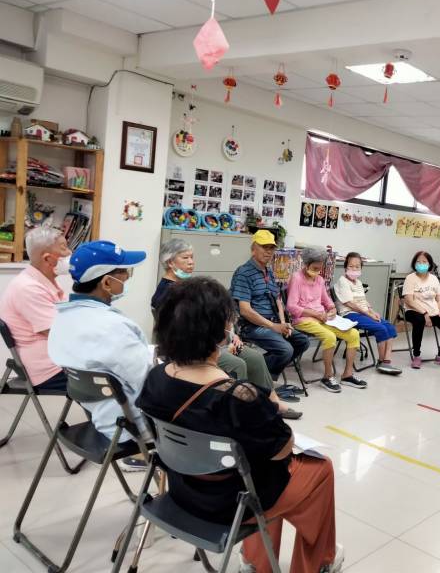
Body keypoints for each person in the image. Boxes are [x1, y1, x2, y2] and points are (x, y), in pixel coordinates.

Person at [137, 277, 342, 573]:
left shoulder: (155, 378)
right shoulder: (239, 397)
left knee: (255, 467)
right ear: (219, 334)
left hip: (181, 490)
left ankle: (256, 563)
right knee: (319, 468)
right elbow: (283, 449)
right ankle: (318, 563)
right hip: (231, 503)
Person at [153, 238, 301, 420]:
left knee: (254, 358)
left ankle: (272, 402)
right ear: (170, 262)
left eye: (192, 257)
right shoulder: (166, 294)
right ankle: (240, 411)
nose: (191, 262)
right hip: (193, 349)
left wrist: (232, 335)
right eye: (185, 258)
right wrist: (219, 345)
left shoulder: (186, 287)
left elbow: (208, 318)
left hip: (212, 341)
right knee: (237, 364)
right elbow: (185, 333)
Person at [47, 240, 151, 470]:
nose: (127, 277)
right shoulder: (112, 327)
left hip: (100, 414)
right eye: (124, 272)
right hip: (129, 426)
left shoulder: (62, 319)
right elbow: (147, 383)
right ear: (106, 282)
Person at [231, 230, 310, 384]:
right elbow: (245, 311)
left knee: (302, 341)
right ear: (253, 249)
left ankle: (261, 374)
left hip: (273, 322)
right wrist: (274, 326)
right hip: (251, 326)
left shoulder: (269, 271)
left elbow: (278, 299)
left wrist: (283, 323)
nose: (268, 251)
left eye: (271, 248)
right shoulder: (244, 273)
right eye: (264, 247)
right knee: (285, 350)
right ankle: (262, 380)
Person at [0, 227, 72, 390]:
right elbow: (60, 334)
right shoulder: (28, 288)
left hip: (58, 358)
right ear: (47, 259)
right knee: (112, 378)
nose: (70, 253)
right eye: (64, 248)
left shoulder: (43, 281)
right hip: (49, 369)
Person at [287, 247, 367, 393]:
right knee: (329, 337)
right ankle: (327, 376)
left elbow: (327, 301)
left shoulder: (320, 280)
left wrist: (332, 309)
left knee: (354, 334)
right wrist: (316, 314)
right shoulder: (296, 278)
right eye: (314, 268)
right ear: (306, 264)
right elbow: (291, 306)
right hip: (303, 319)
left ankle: (347, 375)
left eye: (320, 268)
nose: (317, 271)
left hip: (323, 318)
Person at [334, 252, 402, 375]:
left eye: (357, 267)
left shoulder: (358, 282)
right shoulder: (342, 281)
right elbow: (350, 304)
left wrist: (372, 311)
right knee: (381, 328)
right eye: (351, 266)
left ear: (361, 269)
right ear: (345, 267)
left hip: (363, 312)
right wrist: (369, 314)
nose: (354, 269)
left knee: (390, 327)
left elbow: (363, 301)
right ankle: (381, 362)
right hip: (350, 314)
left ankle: (386, 362)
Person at [402, 251, 440, 369]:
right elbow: (409, 300)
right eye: (418, 262)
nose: (421, 264)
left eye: (424, 262)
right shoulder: (410, 278)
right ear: (414, 264)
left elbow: (439, 298)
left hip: (432, 312)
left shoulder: (434, 279)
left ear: (429, 264)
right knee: (419, 320)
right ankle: (416, 355)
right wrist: (425, 313)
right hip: (413, 311)